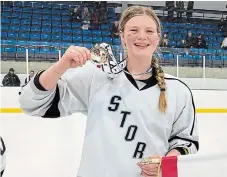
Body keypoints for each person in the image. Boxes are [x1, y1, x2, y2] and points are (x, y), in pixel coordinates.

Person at [19, 6, 199, 177]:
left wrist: (166, 162)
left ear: (158, 37)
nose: (142, 36)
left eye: (149, 31)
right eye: (133, 30)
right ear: (122, 36)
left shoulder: (177, 90)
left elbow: (185, 142)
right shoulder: (96, 77)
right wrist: (61, 66)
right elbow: (30, 103)